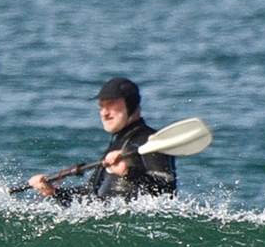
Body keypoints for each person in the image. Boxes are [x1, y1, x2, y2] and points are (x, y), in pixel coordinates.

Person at [30, 77, 177, 202]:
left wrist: (128, 172)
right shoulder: (117, 144)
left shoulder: (150, 141)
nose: (104, 113)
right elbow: (91, 195)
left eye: (111, 105)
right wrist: (54, 192)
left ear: (131, 104)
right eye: (101, 106)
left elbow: (167, 192)